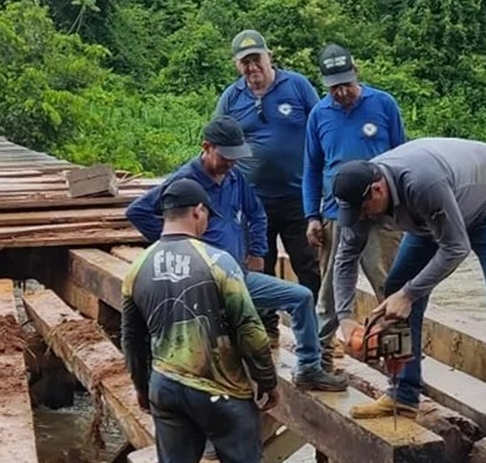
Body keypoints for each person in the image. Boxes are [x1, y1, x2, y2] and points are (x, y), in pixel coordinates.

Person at [120, 178, 297, 463]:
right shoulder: (218, 261)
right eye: (205, 215)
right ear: (199, 213)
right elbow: (250, 329)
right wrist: (266, 381)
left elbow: (132, 339)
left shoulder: (137, 268)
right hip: (221, 391)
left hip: (166, 387)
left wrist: (142, 388)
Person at [333, 138, 486, 449]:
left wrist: (409, 294)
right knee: (396, 287)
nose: (363, 219)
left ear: (378, 190)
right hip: (436, 214)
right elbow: (345, 259)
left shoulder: (422, 183)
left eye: (364, 210)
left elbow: (456, 248)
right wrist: (345, 318)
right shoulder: (360, 205)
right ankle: (403, 393)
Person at [125, 115, 347, 394]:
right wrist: (175, 243)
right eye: (225, 156)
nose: (231, 163)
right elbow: (138, 211)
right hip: (201, 283)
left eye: (236, 156)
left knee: (300, 297)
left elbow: (256, 212)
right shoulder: (184, 182)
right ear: (207, 147)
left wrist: (257, 250)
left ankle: (309, 368)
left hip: (236, 275)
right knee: (231, 339)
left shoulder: (234, 177)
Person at [215, 29, 322, 348]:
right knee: (260, 265)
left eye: (256, 59)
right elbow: (218, 142)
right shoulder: (232, 98)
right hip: (253, 203)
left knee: (308, 265)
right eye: (244, 62)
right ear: (237, 65)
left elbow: (321, 127)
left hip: (299, 198)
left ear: (268, 56)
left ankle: (315, 331)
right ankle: (267, 328)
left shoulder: (297, 86)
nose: (252, 67)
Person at [302, 43, 406, 371]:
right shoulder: (319, 114)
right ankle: (320, 356)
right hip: (338, 214)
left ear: (356, 71)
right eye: (335, 87)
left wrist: (403, 212)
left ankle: (398, 359)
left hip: (382, 213)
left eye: (346, 84)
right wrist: (312, 216)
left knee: (388, 283)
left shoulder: (383, 104)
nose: (342, 92)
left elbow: (403, 157)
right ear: (325, 84)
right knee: (331, 288)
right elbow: (311, 168)